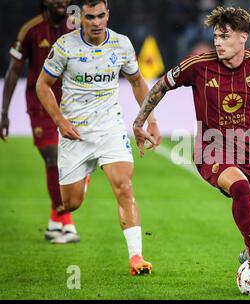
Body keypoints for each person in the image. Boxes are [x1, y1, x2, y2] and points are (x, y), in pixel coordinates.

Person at [133, 6, 250, 282]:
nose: (218, 42)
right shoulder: (199, 65)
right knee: (240, 187)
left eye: (225, 36)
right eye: (215, 36)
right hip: (210, 149)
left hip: (249, 150)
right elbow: (160, 86)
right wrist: (139, 122)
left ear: (243, 38)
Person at [36, 0, 160, 275]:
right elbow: (42, 85)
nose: (96, 22)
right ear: (79, 17)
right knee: (71, 203)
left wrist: (150, 120)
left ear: (108, 15)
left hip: (110, 128)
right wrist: (60, 121)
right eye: (90, 16)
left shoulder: (121, 44)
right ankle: (86, 174)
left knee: (124, 187)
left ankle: (136, 257)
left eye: (101, 15)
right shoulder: (65, 47)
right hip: (75, 132)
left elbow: (138, 82)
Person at [0, 0, 79, 243]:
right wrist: (4, 113)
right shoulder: (30, 30)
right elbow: (14, 70)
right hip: (40, 106)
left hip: (73, 105)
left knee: (75, 159)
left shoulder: (76, 27)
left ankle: (55, 221)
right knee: (52, 157)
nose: (61, 2)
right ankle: (65, 220)